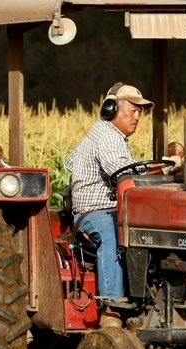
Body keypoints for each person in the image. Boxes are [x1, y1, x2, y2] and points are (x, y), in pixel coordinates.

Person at [65, 82, 155, 328]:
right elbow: (123, 174)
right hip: (93, 211)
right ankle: (111, 308)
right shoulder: (106, 136)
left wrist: (163, 167)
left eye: (140, 112)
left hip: (113, 208)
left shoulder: (115, 137)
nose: (137, 117)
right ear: (111, 108)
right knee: (111, 233)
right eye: (133, 110)